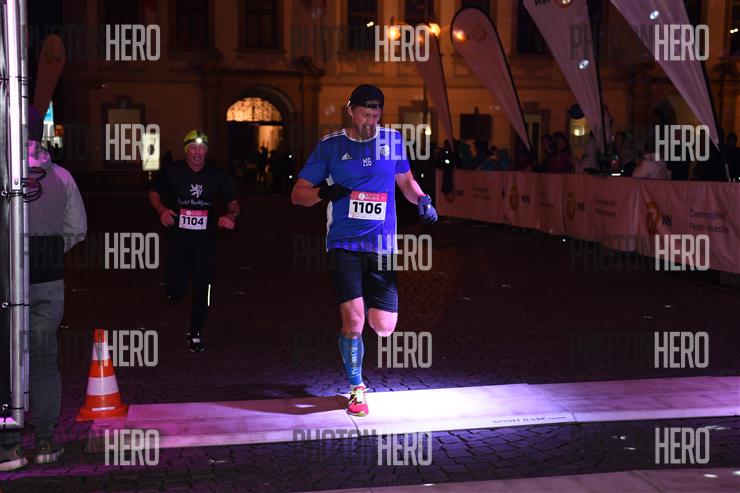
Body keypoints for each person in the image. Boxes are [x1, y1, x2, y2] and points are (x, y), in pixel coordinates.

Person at [290, 84, 437, 417]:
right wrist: (324, 193)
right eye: (365, 114)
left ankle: (368, 306)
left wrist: (422, 199)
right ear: (350, 111)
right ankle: (357, 388)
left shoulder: (393, 141)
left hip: (382, 244)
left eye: (376, 115)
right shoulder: (330, 146)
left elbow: (406, 183)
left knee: (384, 326)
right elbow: (298, 195)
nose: (371, 121)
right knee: (354, 318)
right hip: (344, 243)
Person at [0, 108, 87, 471]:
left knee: (7, 361)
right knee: (43, 361)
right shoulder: (62, 176)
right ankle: (47, 440)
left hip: (7, 282)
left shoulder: (4, 172)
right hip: (48, 279)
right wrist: (50, 249)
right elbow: (77, 228)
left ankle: (9, 445)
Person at [149, 130, 240, 352]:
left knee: (203, 287)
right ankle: (175, 289)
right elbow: (154, 193)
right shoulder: (173, 171)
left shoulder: (216, 174)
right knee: (176, 290)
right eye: (193, 148)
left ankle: (196, 333)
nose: (198, 152)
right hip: (178, 239)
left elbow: (234, 203)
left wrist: (231, 216)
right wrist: (161, 210)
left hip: (205, 242)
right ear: (186, 150)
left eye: (202, 148)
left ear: (206, 151)